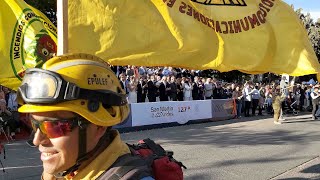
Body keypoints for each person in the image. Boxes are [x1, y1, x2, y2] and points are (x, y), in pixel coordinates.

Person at [18, 54, 154, 179]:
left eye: (54, 126)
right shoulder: (64, 170)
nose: (37, 141)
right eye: (34, 125)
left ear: (99, 126)